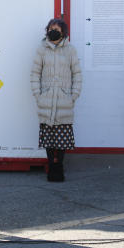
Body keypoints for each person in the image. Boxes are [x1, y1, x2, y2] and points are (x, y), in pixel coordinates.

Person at [30, 18, 82, 182]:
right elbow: (35, 74)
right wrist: (38, 95)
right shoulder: (42, 50)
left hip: (63, 100)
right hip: (46, 100)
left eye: (57, 29)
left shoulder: (70, 50)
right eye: (51, 28)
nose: (53, 31)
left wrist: (73, 96)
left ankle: (59, 168)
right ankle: (51, 168)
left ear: (63, 32)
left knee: (62, 139)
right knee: (49, 139)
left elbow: (77, 74)